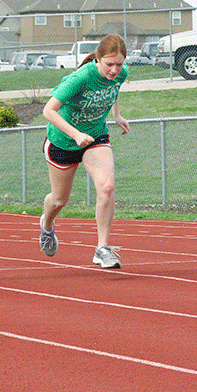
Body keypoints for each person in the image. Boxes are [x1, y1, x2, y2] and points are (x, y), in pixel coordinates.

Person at [39, 34, 131, 268]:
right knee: (59, 200)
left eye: (118, 64)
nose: (114, 70)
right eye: (109, 64)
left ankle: (102, 248)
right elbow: (49, 111)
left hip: (95, 137)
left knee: (107, 187)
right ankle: (47, 225)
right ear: (97, 59)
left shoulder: (121, 73)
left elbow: (115, 88)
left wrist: (116, 115)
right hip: (64, 141)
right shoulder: (80, 78)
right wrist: (75, 134)